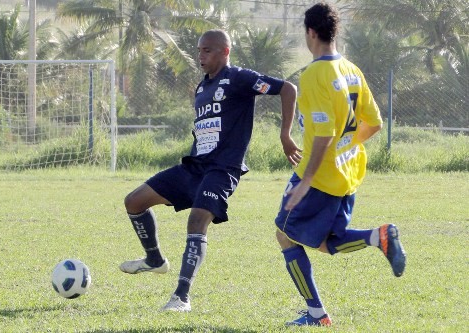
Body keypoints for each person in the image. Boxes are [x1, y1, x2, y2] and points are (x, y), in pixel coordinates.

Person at [120, 29, 301, 312]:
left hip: (222, 169)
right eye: (199, 50)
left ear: (225, 52)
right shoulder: (202, 87)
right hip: (195, 167)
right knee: (134, 201)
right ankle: (154, 259)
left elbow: (288, 89)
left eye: (207, 50)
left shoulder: (240, 78)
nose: (200, 56)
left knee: (196, 221)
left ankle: (181, 297)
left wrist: (285, 135)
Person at [274, 2, 406, 327]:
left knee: (284, 233)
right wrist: (346, 146)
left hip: (319, 178)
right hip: (348, 174)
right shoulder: (351, 70)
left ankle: (316, 315)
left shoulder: (315, 73)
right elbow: (374, 124)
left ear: (311, 32)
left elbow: (323, 134)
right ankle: (380, 237)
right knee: (327, 243)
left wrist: (305, 180)